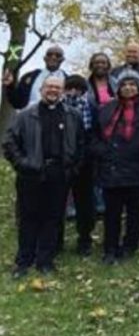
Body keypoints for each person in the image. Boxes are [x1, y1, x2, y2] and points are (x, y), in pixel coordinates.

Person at [3, 75, 84, 276]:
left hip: (59, 173)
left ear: (63, 91)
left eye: (57, 87)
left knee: (53, 218)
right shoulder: (25, 115)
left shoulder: (72, 115)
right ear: (41, 89)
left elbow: (81, 144)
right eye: (49, 87)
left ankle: (45, 261)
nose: (53, 90)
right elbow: (10, 143)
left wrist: (73, 168)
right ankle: (23, 261)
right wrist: (22, 164)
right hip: (30, 173)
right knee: (28, 217)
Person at [92, 70, 139, 264]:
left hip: (138, 168)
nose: (128, 88)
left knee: (135, 212)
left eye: (132, 84)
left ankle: (129, 245)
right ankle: (110, 248)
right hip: (111, 167)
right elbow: (95, 135)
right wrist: (102, 152)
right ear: (118, 88)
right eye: (124, 85)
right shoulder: (107, 108)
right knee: (112, 213)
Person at [61, 75, 98, 256]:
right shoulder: (58, 105)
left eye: (78, 89)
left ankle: (85, 239)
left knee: (85, 203)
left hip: (85, 161)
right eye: (70, 88)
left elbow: (95, 131)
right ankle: (55, 240)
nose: (73, 92)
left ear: (84, 90)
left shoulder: (90, 105)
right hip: (61, 161)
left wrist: (87, 155)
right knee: (57, 203)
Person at [5, 45, 70, 109]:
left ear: (62, 59)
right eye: (49, 54)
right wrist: (10, 86)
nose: (53, 57)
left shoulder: (69, 81)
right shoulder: (29, 77)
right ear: (44, 58)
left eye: (58, 55)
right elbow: (17, 103)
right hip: (30, 117)